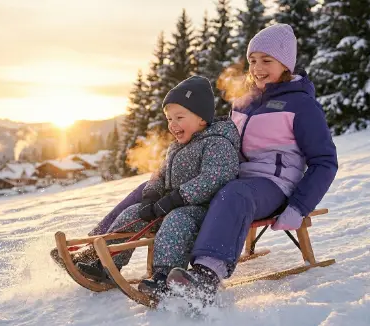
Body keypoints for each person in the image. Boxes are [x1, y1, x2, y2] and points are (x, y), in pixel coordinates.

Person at [163, 23, 339, 303]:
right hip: (238, 180)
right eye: (253, 60)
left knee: (234, 194)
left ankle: (206, 275)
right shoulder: (244, 102)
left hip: (275, 184)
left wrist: (299, 206)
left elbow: (325, 161)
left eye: (267, 61)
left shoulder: (302, 106)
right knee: (190, 191)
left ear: (286, 64)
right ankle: (162, 271)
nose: (257, 68)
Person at [71, 75, 242, 296]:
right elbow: (159, 174)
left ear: (202, 118)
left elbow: (215, 177)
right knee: (132, 213)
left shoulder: (218, 143)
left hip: (201, 210)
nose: (173, 124)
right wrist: (151, 195)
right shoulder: (176, 146)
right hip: (171, 205)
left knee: (176, 221)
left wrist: (178, 197)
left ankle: (164, 276)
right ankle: (108, 264)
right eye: (169, 119)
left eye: (179, 117)